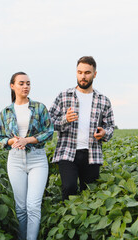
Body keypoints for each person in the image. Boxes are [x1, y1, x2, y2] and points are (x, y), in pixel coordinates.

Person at [0, 72, 54, 240]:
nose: (25, 86)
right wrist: (12, 141)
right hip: (15, 160)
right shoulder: (5, 112)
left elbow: (49, 132)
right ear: (12, 86)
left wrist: (27, 140)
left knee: (33, 205)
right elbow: (0, 138)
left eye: (28, 83)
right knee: (21, 208)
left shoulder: (39, 108)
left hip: (37, 159)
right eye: (21, 83)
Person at [49, 56, 115, 201]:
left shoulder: (103, 100)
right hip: (67, 151)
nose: (83, 76)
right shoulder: (64, 96)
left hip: (92, 154)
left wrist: (104, 133)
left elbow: (110, 126)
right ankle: (67, 220)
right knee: (69, 187)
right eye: (79, 72)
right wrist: (65, 119)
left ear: (94, 74)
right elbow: (49, 122)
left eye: (87, 73)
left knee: (90, 194)